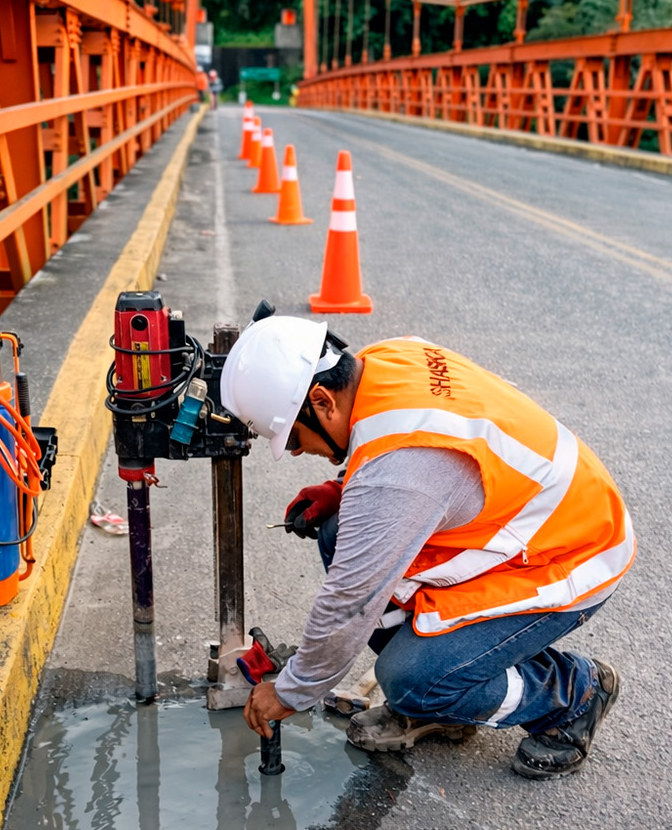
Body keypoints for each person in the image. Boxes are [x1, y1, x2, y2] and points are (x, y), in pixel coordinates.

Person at [220, 310, 636, 779]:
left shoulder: (400, 475)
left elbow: (350, 602)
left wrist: (292, 690)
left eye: (294, 437)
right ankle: (451, 687)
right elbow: (421, 459)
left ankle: (572, 694)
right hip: (531, 518)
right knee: (341, 532)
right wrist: (343, 488)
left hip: (572, 553)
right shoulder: (381, 361)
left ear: (321, 399)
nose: (296, 451)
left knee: (410, 680)